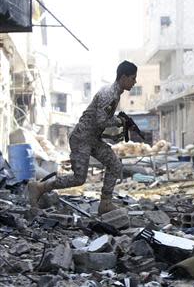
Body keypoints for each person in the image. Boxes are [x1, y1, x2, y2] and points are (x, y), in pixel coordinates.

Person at [28, 61, 138, 215]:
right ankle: (40, 187)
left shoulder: (116, 93)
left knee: (115, 165)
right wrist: (120, 121)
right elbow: (101, 120)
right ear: (124, 77)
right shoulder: (109, 94)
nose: (135, 82)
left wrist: (121, 123)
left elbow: (103, 119)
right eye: (133, 78)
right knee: (79, 179)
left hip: (92, 139)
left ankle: (105, 203)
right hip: (82, 138)